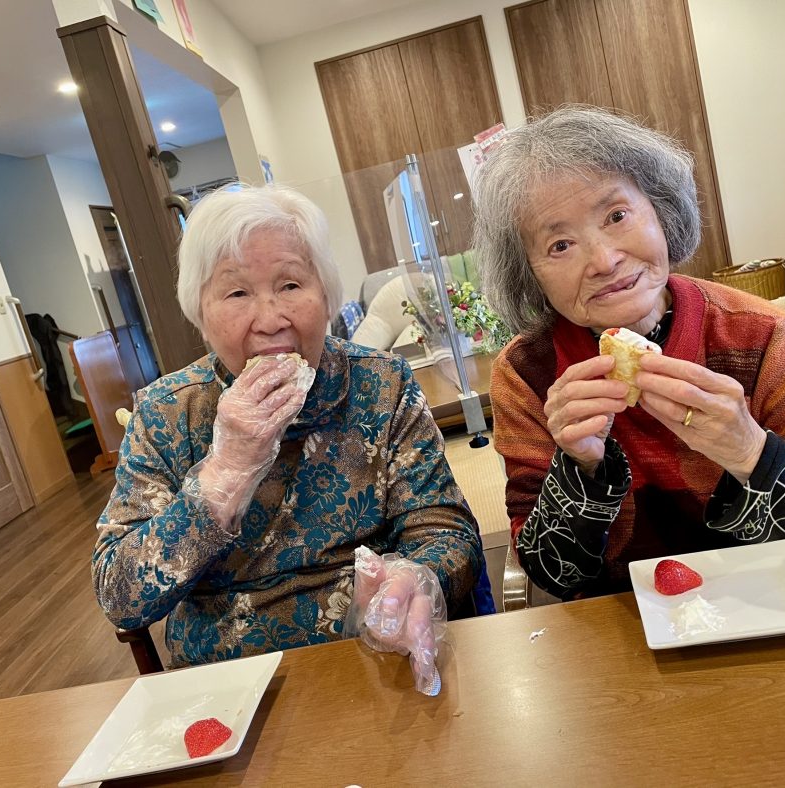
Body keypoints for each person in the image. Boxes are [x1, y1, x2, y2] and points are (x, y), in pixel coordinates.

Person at [473, 106, 785, 600]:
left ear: (661, 210)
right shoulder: (528, 375)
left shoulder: (770, 341)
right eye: (560, 244)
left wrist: (751, 452)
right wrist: (579, 470)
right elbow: (553, 577)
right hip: (623, 631)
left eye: (617, 216)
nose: (604, 260)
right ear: (527, 272)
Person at [93, 185, 491, 685]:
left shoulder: (382, 383)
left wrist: (413, 583)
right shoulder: (166, 412)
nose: (270, 321)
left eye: (290, 285)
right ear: (201, 313)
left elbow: (445, 530)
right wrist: (225, 473)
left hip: (376, 657)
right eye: (237, 293)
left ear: (326, 297)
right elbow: (120, 597)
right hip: (226, 681)